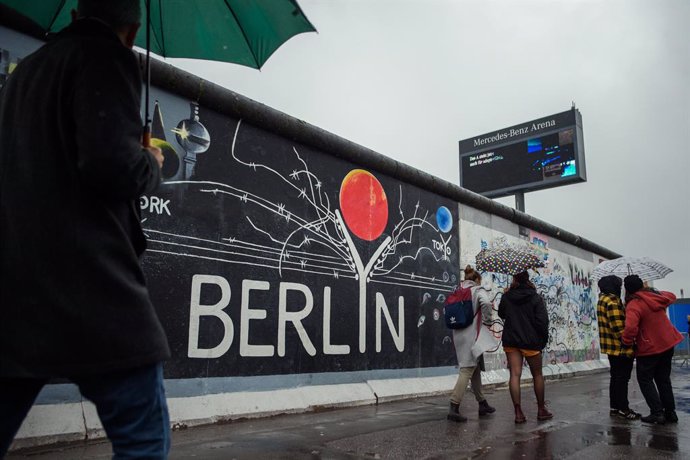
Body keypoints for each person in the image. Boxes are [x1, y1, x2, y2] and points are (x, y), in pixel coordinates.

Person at [0, 0, 171, 457]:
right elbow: (112, 168)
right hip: (91, 287)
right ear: (132, 30)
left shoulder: (26, 73)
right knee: (143, 437)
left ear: (75, 15)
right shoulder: (107, 57)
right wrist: (150, 162)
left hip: (16, 293)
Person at [622, 275, 682, 425]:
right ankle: (670, 413)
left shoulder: (634, 304)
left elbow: (630, 328)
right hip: (668, 343)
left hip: (650, 347)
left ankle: (657, 413)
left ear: (627, 289)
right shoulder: (655, 296)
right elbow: (671, 296)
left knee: (645, 379)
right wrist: (652, 291)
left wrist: (626, 342)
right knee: (663, 379)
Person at [498, 271, 551, 423]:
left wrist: (505, 296)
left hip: (512, 340)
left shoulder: (507, 296)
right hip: (531, 341)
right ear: (527, 279)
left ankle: (518, 413)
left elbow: (502, 314)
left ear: (514, 279)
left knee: (515, 375)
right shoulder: (535, 297)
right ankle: (541, 410)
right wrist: (542, 341)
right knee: (537, 375)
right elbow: (542, 321)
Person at [447, 266, 497, 422]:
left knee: (474, 369)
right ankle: (454, 406)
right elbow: (487, 304)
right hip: (472, 336)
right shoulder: (477, 290)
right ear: (476, 280)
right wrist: (488, 321)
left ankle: (482, 403)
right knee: (467, 369)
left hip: (458, 335)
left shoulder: (458, 290)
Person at [596, 275, 641, 420]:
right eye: (619, 285)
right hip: (620, 348)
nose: (620, 287)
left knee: (615, 378)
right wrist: (630, 343)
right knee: (622, 379)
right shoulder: (613, 301)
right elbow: (618, 327)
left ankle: (614, 407)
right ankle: (624, 409)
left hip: (610, 347)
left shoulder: (602, 300)